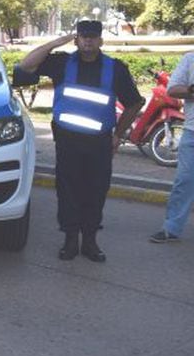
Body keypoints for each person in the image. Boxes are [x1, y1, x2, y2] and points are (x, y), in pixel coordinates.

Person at [13, 20, 144, 262]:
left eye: (93, 36)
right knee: (68, 191)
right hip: (68, 142)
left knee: (96, 192)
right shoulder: (62, 62)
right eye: (83, 36)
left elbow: (135, 102)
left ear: (101, 40)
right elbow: (26, 65)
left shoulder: (115, 68)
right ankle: (70, 240)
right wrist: (56, 42)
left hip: (100, 144)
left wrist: (118, 135)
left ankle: (90, 242)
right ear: (77, 39)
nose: (88, 40)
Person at [150, 50, 194, 244]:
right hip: (192, 132)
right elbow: (173, 89)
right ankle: (171, 228)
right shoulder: (190, 59)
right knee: (184, 181)